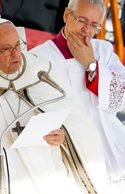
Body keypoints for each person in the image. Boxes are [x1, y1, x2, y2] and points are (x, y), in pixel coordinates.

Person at [0, 18, 109, 194]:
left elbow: (75, 118)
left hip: (44, 154)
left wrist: (63, 134)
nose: (16, 55)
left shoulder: (39, 69)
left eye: (18, 46)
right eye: (6, 49)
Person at [30, 0, 125, 192]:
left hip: (106, 138)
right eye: (82, 20)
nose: (86, 30)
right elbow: (30, 108)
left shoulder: (104, 52)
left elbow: (120, 98)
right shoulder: (38, 58)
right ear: (66, 15)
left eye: (94, 25)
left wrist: (91, 65)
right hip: (63, 146)